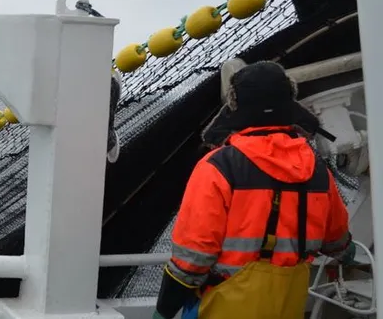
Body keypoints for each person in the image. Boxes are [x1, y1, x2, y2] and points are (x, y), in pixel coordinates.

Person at [152, 61, 356, 319]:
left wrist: (163, 311)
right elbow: (336, 241)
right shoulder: (317, 170)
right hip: (288, 305)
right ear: (289, 104)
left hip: (227, 306)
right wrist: (350, 255)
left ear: (236, 107)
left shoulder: (218, 167)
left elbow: (192, 259)